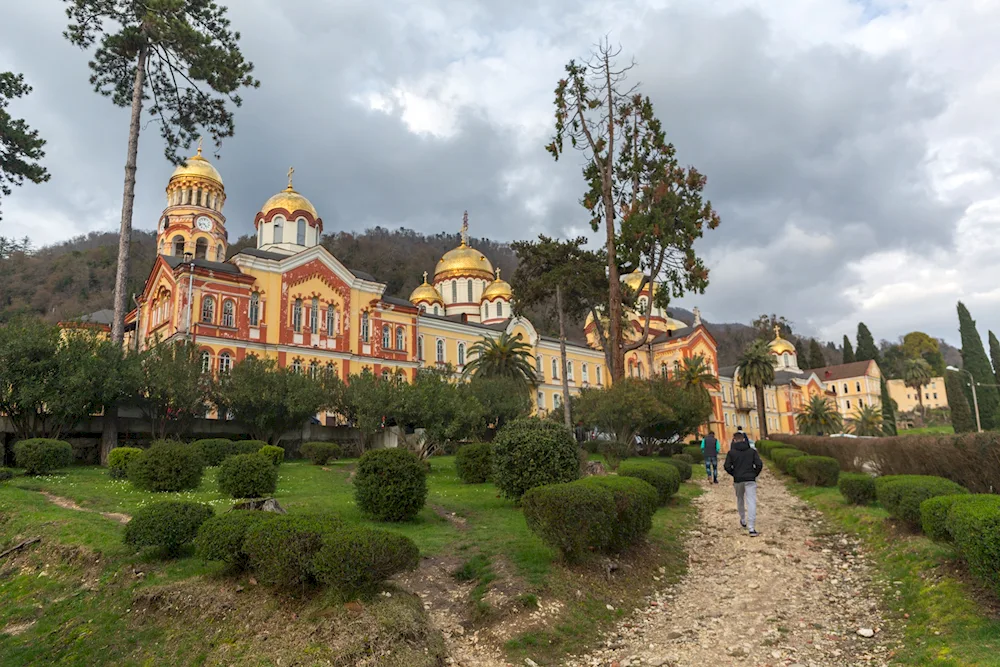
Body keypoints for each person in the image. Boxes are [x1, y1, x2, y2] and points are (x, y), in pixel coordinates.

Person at [724, 429, 764, 537]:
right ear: (744, 439)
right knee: (751, 501)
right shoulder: (752, 451)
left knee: (740, 499)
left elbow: (727, 466)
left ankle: (742, 519)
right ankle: (751, 527)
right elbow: (759, 464)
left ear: (734, 440)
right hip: (750, 479)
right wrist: (754, 474)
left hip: (738, 479)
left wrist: (734, 474)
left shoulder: (731, 453)